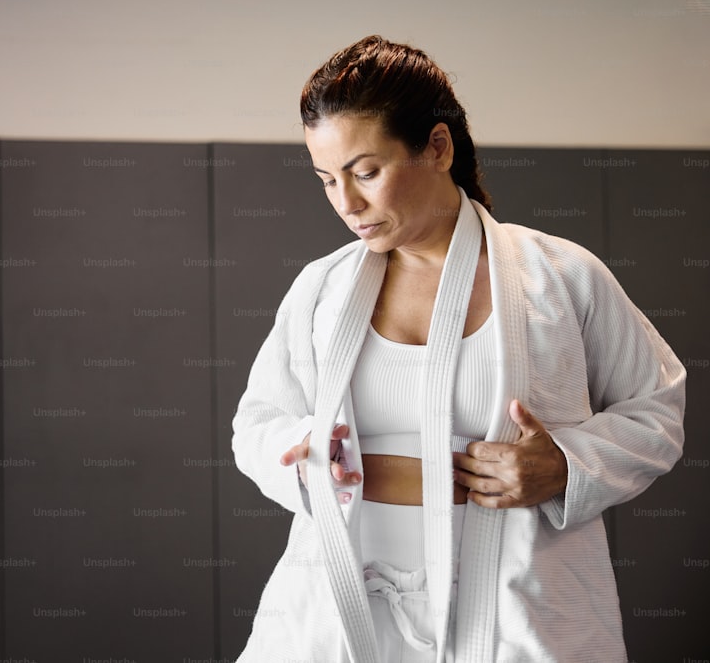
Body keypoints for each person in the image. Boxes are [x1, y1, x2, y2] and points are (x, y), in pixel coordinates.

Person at [231, 35, 686, 663]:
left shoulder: (560, 276)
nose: (347, 203)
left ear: (437, 147)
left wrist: (565, 465)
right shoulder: (322, 290)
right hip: (337, 607)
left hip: (514, 606)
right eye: (327, 179)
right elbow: (256, 423)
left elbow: (657, 410)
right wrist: (308, 452)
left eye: (366, 172)